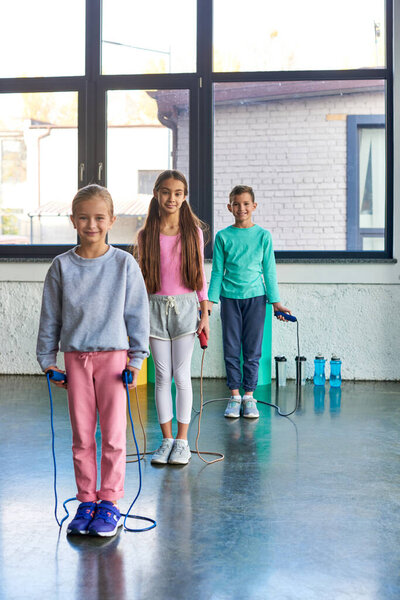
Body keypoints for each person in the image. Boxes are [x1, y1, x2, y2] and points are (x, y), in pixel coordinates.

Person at [36, 184, 149, 537]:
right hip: (74, 360)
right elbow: (50, 317)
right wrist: (47, 360)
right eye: (84, 218)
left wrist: (136, 359)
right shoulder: (61, 266)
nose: (92, 224)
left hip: (114, 361)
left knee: (114, 436)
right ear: (73, 220)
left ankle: (110, 504)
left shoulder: (124, 264)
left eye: (99, 218)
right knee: (82, 435)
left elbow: (137, 315)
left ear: (112, 220)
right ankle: (86, 500)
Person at [137, 170, 209, 466]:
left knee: (181, 376)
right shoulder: (146, 235)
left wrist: (204, 313)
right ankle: (166, 440)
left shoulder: (194, 232)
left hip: (186, 308)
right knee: (162, 377)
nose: (172, 198)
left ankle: (182, 442)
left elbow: (201, 278)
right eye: (166, 192)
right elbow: (141, 279)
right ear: (156, 194)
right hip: (153, 308)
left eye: (178, 193)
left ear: (184, 196)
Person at [208, 185, 291, 419]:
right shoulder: (223, 237)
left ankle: (249, 396)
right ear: (229, 207)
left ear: (254, 206)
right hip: (229, 299)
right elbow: (217, 272)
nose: (241, 208)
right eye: (236, 203)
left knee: (252, 350)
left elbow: (269, 271)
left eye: (246, 204)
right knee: (231, 349)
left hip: (256, 299)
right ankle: (235, 396)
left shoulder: (263, 236)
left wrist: (276, 302)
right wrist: (210, 301)